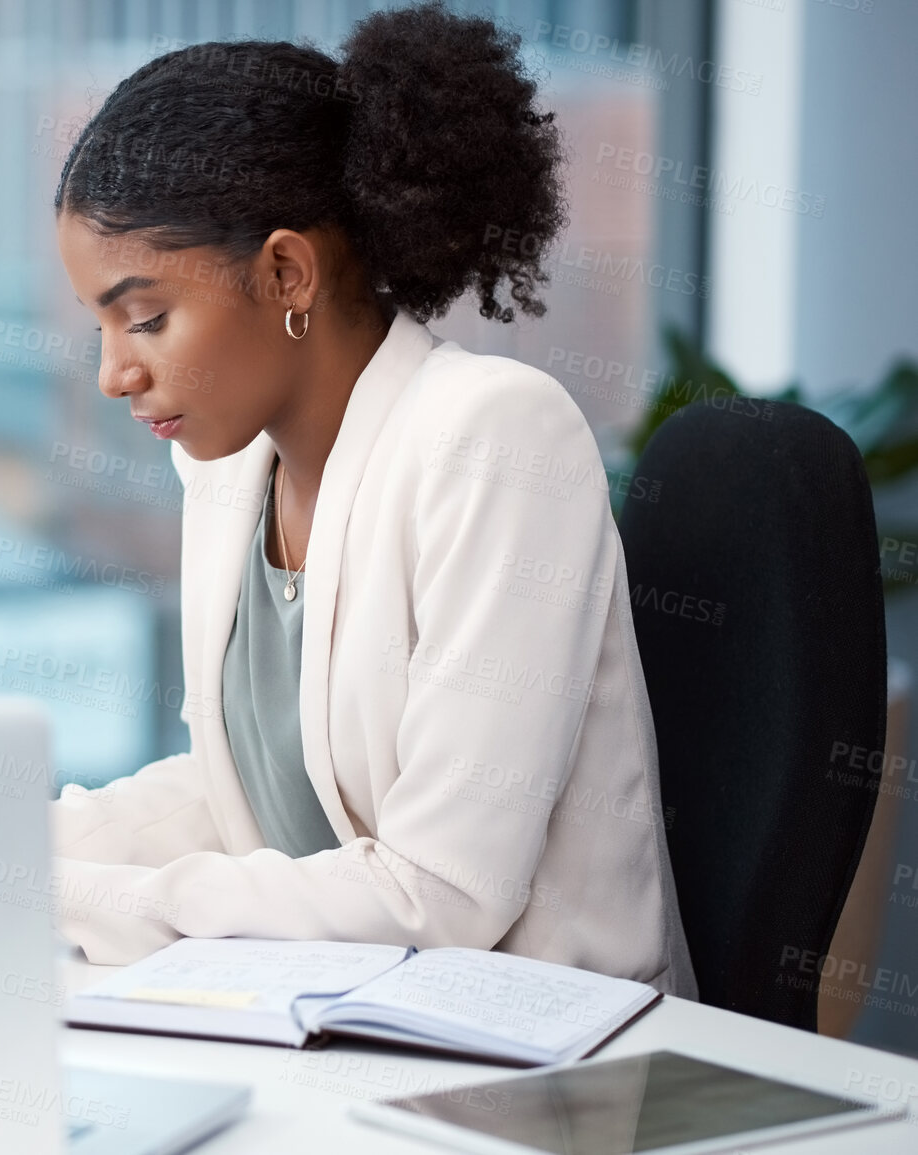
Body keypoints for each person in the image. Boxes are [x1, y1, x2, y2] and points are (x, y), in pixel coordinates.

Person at [48, 2, 696, 997]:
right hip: (341, 1015)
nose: (113, 375)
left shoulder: (496, 438)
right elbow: (247, 797)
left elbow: (442, 894)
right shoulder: (227, 468)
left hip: (539, 1065)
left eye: (144, 319)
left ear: (286, 272)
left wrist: (84, 899)